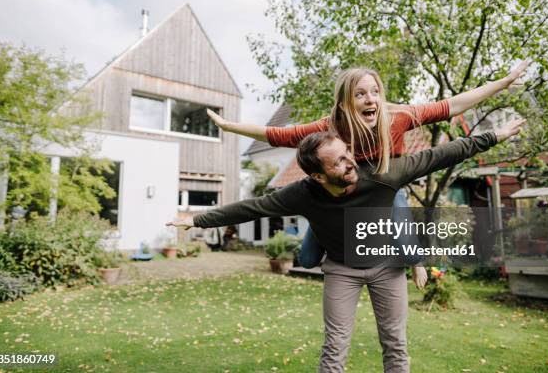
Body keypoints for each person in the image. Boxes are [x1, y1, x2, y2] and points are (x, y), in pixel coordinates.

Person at [166, 118, 524, 372]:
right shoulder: (301, 194)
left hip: (386, 266)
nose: (350, 160)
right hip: (341, 269)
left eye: (347, 153)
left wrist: (496, 135)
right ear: (318, 176)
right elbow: (250, 208)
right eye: (339, 160)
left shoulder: (383, 174)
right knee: (335, 348)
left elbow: (444, 153)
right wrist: (196, 219)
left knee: (395, 344)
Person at [207, 62, 528, 270]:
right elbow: (276, 134)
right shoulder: (331, 126)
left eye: (375, 92)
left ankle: (414, 266)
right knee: (305, 260)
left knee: (408, 246)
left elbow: (453, 104)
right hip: (340, 193)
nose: (370, 99)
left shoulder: (398, 117)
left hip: (385, 186)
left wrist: (502, 83)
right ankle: (321, 230)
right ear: (346, 102)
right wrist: (229, 126)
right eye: (360, 94)